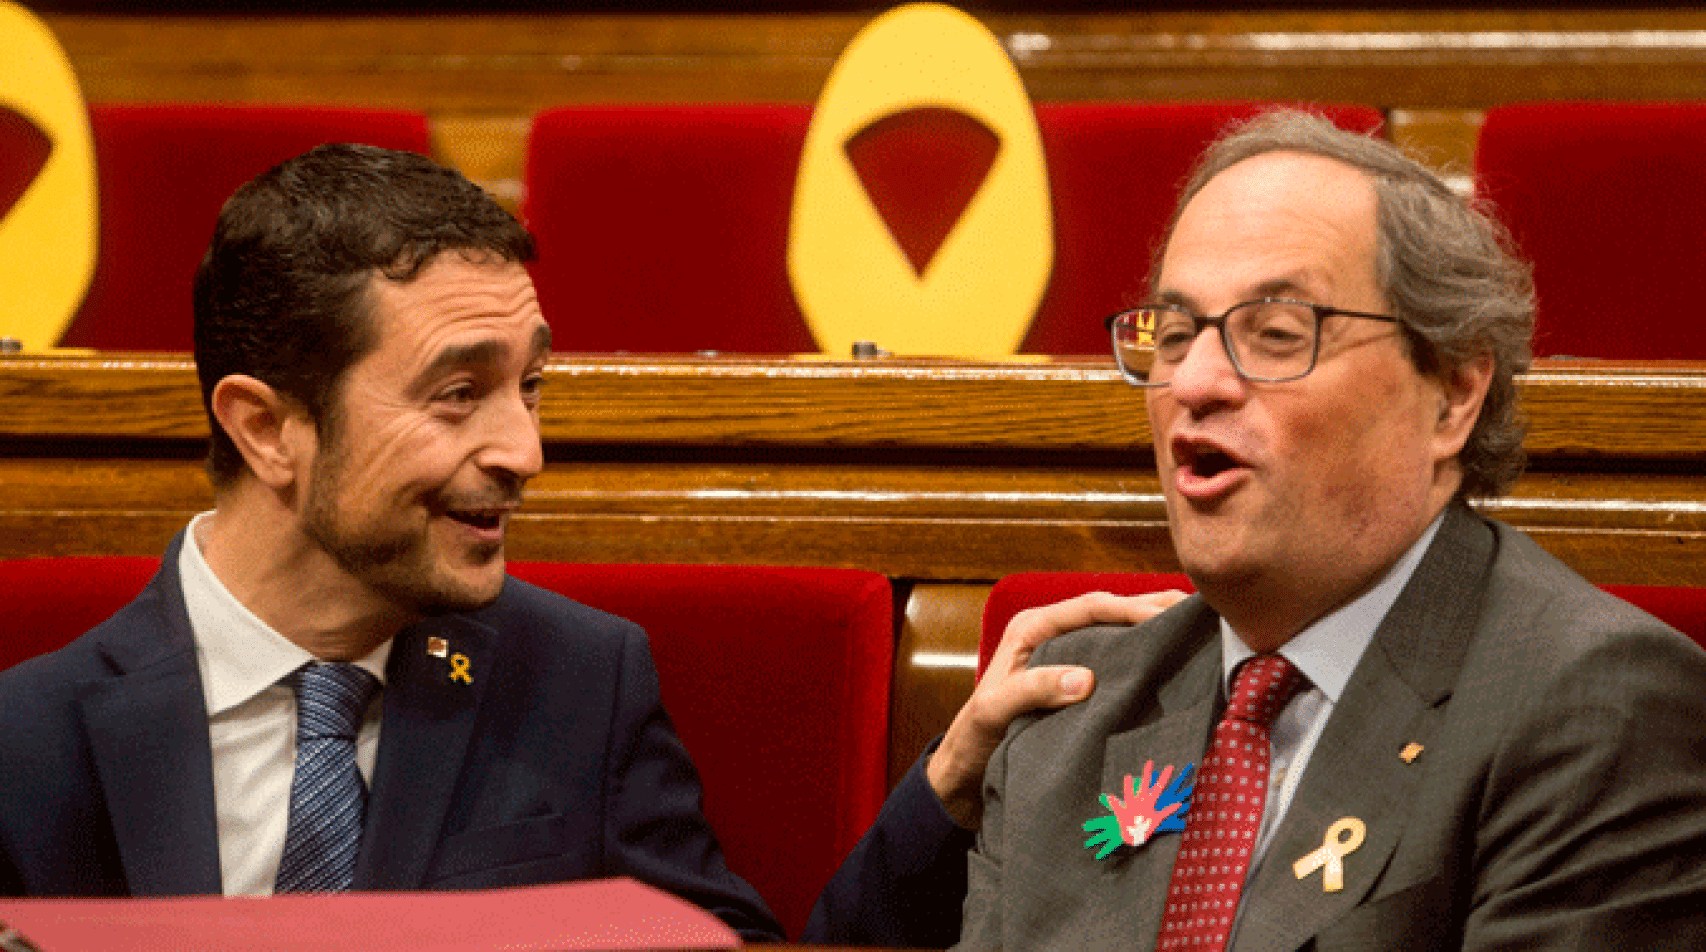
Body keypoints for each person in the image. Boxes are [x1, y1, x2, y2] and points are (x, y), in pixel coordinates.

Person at [0, 142, 1170, 943]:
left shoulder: (575, 683)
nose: (523, 451)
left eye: (531, 387)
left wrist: (951, 787)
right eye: (458, 393)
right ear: (267, 428)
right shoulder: (28, 744)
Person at [958, 112, 1706, 950]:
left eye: (1276, 335)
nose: (1195, 383)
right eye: (1172, 336)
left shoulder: (1596, 712)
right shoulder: (1070, 718)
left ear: (1453, 394)